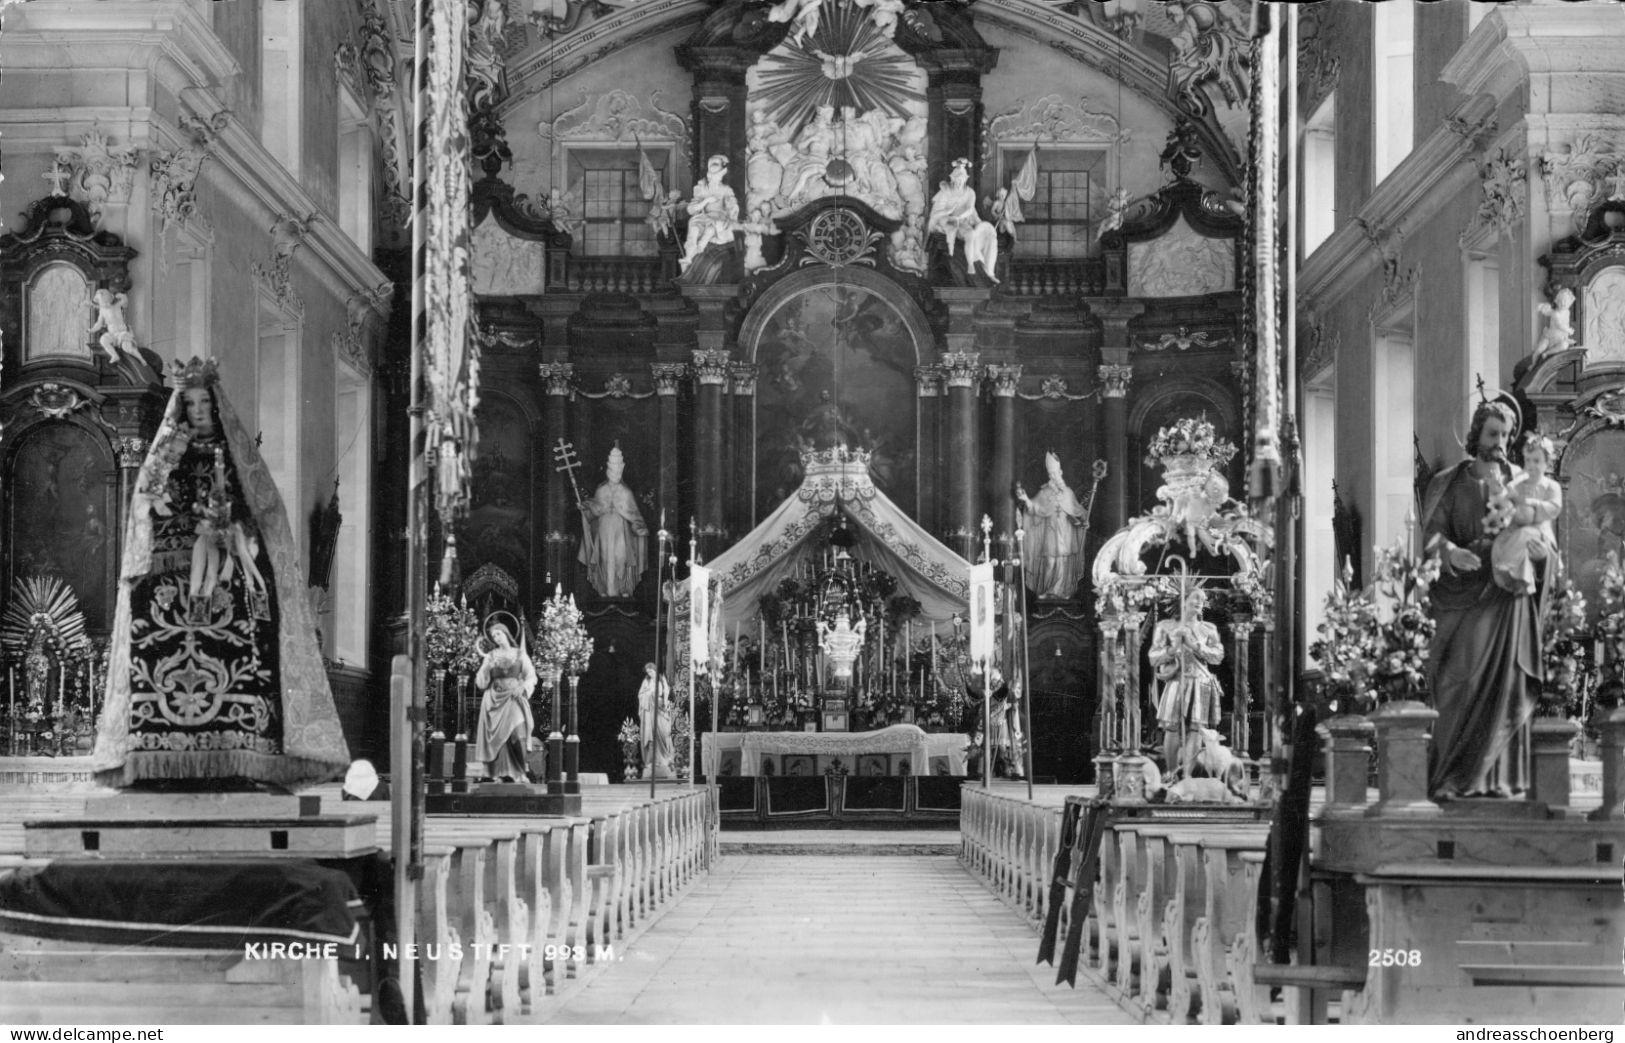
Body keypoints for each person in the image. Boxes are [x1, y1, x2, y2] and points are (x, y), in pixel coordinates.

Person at [93, 358, 350, 790]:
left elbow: (263, 516)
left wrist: (233, 531)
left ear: (215, 405)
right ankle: (155, 754)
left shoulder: (236, 460)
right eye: (188, 403)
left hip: (227, 562)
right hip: (168, 570)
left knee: (249, 619)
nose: (196, 411)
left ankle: (244, 751)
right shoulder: (163, 459)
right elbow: (144, 511)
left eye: (203, 402)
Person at [1422, 399, 1543, 799]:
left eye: (1506, 436)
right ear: (1476, 435)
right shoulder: (1450, 482)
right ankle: (1451, 777)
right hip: (1463, 596)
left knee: (1505, 687)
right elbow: (1432, 536)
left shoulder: (1520, 481)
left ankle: (1500, 780)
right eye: (1493, 434)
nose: (1500, 443)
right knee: (1461, 682)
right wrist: (1450, 552)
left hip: (1506, 597)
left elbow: (1541, 533)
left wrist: (1540, 547)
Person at [1149, 586, 1224, 776]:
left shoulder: (1208, 628)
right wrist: (1172, 649)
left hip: (1201, 682)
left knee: (1196, 729)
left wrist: (1195, 645)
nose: (1201, 602)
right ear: (1183, 600)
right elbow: (1153, 657)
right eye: (1196, 597)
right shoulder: (1166, 626)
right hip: (1176, 681)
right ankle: (1173, 773)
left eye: (1203, 599)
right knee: (1172, 728)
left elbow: (1218, 656)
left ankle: (1188, 776)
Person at [1492, 432, 1563, 597]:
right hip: (1518, 525)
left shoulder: (1551, 486)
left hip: (1540, 531)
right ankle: (1514, 578)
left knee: (1525, 534)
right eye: (1528, 460)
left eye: (1537, 461)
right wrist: (1502, 490)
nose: (1531, 465)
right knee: (1500, 542)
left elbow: (1554, 507)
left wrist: (1532, 503)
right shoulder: (1519, 483)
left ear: (1547, 463)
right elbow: (1507, 501)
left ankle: (1508, 565)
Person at [578, 444, 649, 598]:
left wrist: (638, 527)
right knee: (603, 558)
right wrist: (585, 508)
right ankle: (603, 588)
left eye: (618, 469)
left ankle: (623, 588)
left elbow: (633, 513)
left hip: (621, 532)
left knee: (621, 557)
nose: (615, 472)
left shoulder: (626, 492)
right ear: (608, 469)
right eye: (612, 469)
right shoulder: (601, 490)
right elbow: (594, 510)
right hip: (603, 530)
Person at [473, 618, 538, 782]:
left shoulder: (520, 654)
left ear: (506, 634)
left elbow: (531, 676)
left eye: (499, 633)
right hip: (494, 699)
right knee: (497, 739)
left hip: (513, 698)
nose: (496, 638)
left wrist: (522, 687)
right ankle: (498, 774)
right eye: (494, 636)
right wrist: (487, 668)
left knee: (518, 733)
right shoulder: (490, 656)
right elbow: (481, 682)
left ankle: (522, 771)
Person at [1017, 452, 1087, 599]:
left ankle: (1061, 592)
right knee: (1049, 561)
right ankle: (1048, 590)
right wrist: (1026, 499)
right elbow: (1035, 509)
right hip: (1050, 533)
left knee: (1062, 561)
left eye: (1055, 473)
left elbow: (1078, 510)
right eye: (1050, 474)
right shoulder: (1045, 492)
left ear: (1060, 472)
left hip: (1065, 533)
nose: (1053, 477)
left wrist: (1083, 519)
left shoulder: (1068, 493)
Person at [927, 158, 999, 283]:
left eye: (962, 180)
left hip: (965, 221)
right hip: (950, 222)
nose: (959, 183)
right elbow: (937, 213)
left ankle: (988, 270)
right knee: (970, 233)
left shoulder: (970, 192)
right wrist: (950, 214)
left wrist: (981, 225)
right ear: (952, 179)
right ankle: (971, 265)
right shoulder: (946, 192)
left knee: (989, 237)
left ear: (965, 179)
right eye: (957, 180)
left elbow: (971, 210)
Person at [680, 155, 741, 271]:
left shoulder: (726, 189)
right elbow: (691, 209)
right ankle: (688, 260)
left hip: (719, 218)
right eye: (711, 163)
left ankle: (700, 249)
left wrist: (732, 207)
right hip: (703, 217)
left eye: (716, 164)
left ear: (722, 171)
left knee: (712, 229)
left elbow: (732, 206)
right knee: (694, 229)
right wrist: (706, 201)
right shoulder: (700, 188)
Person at [638, 662, 674, 779]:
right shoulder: (646, 682)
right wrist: (649, 695)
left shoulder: (662, 680)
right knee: (651, 737)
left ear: (655, 670)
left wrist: (662, 701)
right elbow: (641, 695)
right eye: (648, 672)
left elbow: (666, 695)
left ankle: (665, 760)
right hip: (650, 712)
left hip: (660, 710)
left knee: (663, 734)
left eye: (651, 671)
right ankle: (651, 762)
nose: (650, 673)